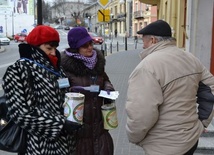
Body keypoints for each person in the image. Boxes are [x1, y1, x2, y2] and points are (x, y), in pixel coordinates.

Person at [125, 20, 214, 155]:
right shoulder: (190, 58)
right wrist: (202, 123)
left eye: (144, 41)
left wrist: (133, 136)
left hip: (163, 146)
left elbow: (141, 114)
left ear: (153, 40)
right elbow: (210, 90)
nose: (143, 46)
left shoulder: (147, 67)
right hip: (190, 140)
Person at [2, 25, 81, 155]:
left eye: (55, 48)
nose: (53, 52)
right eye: (49, 48)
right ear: (35, 47)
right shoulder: (19, 70)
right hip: (39, 147)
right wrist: (60, 124)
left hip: (66, 145)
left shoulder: (57, 69)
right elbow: (21, 113)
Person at [61, 27, 115, 155]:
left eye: (90, 43)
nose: (90, 47)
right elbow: (60, 94)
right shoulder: (66, 68)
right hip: (79, 132)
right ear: (75, 48)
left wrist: (108, 88)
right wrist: (71, 91)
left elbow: (105, 79)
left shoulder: (98, 63)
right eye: (84, 46)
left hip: (99, 127)